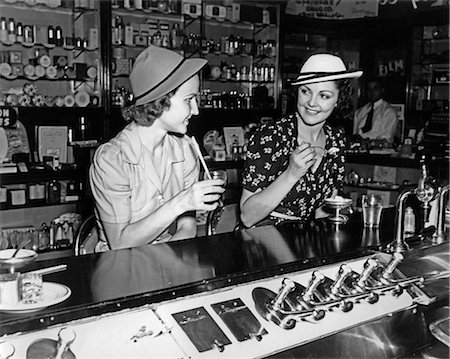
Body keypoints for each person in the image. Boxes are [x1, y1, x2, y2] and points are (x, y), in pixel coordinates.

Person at [89, 45, 225, 251]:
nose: (196, 110)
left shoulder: (185, 151)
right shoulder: (112, 159)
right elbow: (120, 243)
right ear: (160, 101)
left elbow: (187, 228)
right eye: (189, 100)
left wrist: (164, 265)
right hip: (121, 268)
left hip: (167, 258)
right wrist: (182, 202)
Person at [240, 53, 362, 228]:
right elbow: (247, 217)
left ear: (338, 100)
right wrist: (292, 173)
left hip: (304, 239)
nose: (311, 102)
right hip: (261, 237)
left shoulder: (336, 140)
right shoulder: (271, 136)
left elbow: (323, 211)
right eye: (306, 91)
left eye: (324, 96)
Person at [353, 76, 399, 145]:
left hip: (379, 151)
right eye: (369, 89)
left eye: (375, 88)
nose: (372, 92)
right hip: (361, 150)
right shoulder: (359, 112)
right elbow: (355, 135)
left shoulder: (389, 112)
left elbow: (387, 139)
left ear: (382, 90)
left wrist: (370, 143)